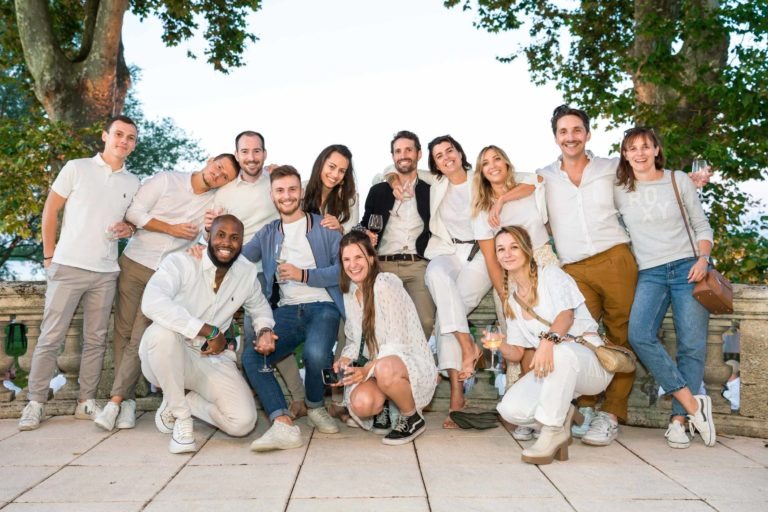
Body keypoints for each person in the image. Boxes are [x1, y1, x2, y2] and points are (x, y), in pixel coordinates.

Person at [94, 154, 238, 431]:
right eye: (218, 167)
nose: (218, 175)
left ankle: (115, 402)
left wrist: (202, 240)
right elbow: (134, 213)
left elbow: (211, 237)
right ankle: (129, 402)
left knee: (139, 336)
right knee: (122, 333)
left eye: (225, 177)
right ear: (209, 161)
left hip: (165, 277)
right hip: (135, 263)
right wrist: (171, 228)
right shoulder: (166, 180)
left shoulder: (213, 203)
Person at [19, 115, 140, 431]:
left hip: (105, 272)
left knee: (96, 339)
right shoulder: (77, 168)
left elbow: (132, 223)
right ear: (105, 136)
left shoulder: (133, 182)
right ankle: (35, 403)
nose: (123, 141)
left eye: (130, 137)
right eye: (118, 134)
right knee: (51, 336)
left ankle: (86, 401)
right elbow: (51, 209)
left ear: (134, 144)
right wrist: (49, 256)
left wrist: (127, 227)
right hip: (68, 265)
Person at [536, 105, 638, 446]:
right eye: (563, 131)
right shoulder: (544, 176)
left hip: (615, 258)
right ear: (555, 138)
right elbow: (533, 213)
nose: (570, 137)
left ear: (588, 133)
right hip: (574, 267)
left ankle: (612, 413)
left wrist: (688, 182)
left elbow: (649, 185)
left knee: (624, 335)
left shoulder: (610, 168)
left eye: (576, 130)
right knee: (580, 337)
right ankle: (587, 407)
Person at [615, 127, 716, 448]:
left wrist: (703, 258)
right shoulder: (618, 189)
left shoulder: (678, 180)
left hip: (689, 266)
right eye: (632, 148)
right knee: (639, 334)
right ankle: (692, 403)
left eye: (646, 146)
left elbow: (701, 224)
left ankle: (678, 421)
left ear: (657, 149)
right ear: (625, 155)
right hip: (650, 272)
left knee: (691, 346)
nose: (640, 153)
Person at [138, 215, 273, 453]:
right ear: (208, 236)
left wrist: (264, 330)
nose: (227, 243)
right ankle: (181, 418)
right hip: (166, 356)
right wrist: (208, 330)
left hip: (210, 358)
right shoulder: (181, 262)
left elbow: (260, 307)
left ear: (242, 242)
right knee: (162, 333)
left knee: (242, 423)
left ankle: (179, 402)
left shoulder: (246, 272)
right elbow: (152, 302)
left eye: (234, 238)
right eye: (221, 235)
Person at [242, 165, 345, 452]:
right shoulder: (268, 233)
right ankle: (281, 420)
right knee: (253, 356)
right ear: (272, 195)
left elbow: (343, 271)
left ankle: (314, 406)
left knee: (315, 354)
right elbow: (238, 259)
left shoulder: (324, 226)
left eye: (291, 189)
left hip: (323, 305)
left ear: (300, 192)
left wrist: (305, 275)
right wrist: (205, 243)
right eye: (279, 191)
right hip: (287, 310)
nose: (286, 196)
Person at [491, 226, 613, 465]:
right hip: (558, 371)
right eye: (501, 249)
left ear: (527, 250)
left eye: (514, 247)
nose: (507, 253)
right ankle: (564, 412)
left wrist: (547, 342)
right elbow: (516, 353)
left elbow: (565, 317)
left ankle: (552, 431)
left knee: (560, 351)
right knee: (510, 410)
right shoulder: (513, 300)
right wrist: (497, 345)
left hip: (591, 365)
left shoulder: (551, 276)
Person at [404, 135, 487, 429]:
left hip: (482, 254)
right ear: (435, 163)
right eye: (439, 155)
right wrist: (389, 175)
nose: (446, 157)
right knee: (436, 274)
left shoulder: (482, 176)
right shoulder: (437, 183)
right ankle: (468, 346)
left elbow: (527, 178)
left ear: (460, 151)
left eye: (449, 150)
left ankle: (456, 395)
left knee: (447, 315)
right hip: (448, 250)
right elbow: (397, 169)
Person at [334, 231, 437, 445]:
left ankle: (412, 417)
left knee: (384, 369)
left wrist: (367, 370)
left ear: (371, 258)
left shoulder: (385, 284)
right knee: (362, 404)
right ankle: (386, 408)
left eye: (358, 257)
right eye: (347, 259)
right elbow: (355, 340)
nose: (353, 265)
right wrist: (346, 359)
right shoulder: (350, 292)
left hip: (406, 362)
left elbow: (397, 343)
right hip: (377, 365)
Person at [362, 130, 434, 339]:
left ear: (419, 154)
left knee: (426, 321)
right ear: (393, 157)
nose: (403, 155)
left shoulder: (430, 190)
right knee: (383, 324)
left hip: (418, 264)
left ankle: (413, 368)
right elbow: (364, 224)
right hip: (383, 264)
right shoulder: (379, 190)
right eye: (398, 151)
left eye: (408, 150)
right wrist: (365, 232)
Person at [303, 144, 359, 233]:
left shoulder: (349, 198)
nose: (335, 175)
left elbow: (353, 233)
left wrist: (340, 229)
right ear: (321, 164)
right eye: (332, 167)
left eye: (342, 171)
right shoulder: (301, 189)